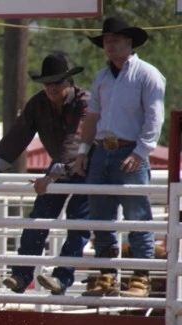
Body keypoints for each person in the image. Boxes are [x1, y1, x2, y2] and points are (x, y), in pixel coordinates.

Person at [0, 53, 90, 296]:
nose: (51, 88)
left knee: (78, 223)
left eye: (57, 82)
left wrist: (51, 176)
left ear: (69, 82)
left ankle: (61, 278)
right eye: (47, 83)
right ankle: (21, 274)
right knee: (37, 218)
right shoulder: (38, 105)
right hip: (60, 166)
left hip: (88, 167)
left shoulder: (83, 102)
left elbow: (75, 140)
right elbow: (17, 137)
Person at [73, 16, 165, 298]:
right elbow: (93, 117)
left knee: (137, 214)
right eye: (106, 41)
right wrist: (82, 150)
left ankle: (140, 276)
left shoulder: (147, 74)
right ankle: (106, 274)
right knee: (101, 215)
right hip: (103, 149)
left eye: (114, 40)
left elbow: (154, 116)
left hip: (129, 149)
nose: (109, 45)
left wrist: (141, 151)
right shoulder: (102, 77)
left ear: (129, 42)